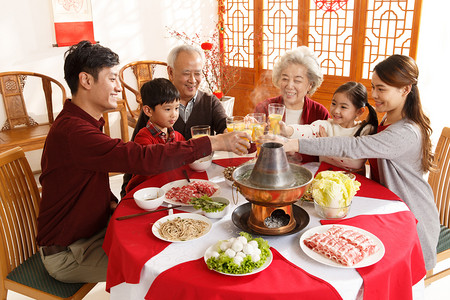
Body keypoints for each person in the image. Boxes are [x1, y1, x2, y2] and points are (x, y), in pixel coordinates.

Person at [37, 41, 250, 283]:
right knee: (172, 266)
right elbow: (143, 158)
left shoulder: (82, 122)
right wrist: (214, 142)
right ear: (86, 81)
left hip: (94, 231)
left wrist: (113, 205)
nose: (119, 87)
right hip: (70, 253)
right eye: (112, 79)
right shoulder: (75, 132)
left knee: (182, 233)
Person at [276, 55, 440, 270]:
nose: (374, 95)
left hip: (411, 215)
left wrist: (295, 144)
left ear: (405, 89)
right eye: (373, 87)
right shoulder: (390, 117)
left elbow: (354, 146)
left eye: (381, 89)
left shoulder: (405, 132)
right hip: (385, 204)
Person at [133, 44, 228, 141]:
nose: (193, 80)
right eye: (186, 73)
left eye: (197, 73)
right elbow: (135, 149)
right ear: (170, 72)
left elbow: (226, 127)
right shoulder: (156, 103)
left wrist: (228, 133)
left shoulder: (209, 101)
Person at [255, 46, 331, 163]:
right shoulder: (264, 108)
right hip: (270, 170)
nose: (289, 85)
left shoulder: (320, 113)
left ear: (310, 85)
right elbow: (249, 149)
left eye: (297, 80)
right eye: (285, 79)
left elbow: (328, 152)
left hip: (307, 175)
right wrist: (248, 132)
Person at [280, 81, 378, 172]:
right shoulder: (326, 125)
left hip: (353, 180)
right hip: (325, 176)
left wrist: (326, 143)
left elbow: (354, 160)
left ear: (359, 111)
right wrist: (287, 130)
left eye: (343, 107)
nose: (336, 110)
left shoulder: (365, 130)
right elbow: (308, 130)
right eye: (334, 104)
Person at [125, 78, 185, 193]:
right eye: (168, 109)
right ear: (148, 111)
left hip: (168, 189)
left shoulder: (178, 136)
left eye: (177, 108)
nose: (174, 114)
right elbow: (154, 163)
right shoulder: (143, 137)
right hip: (144, 192)